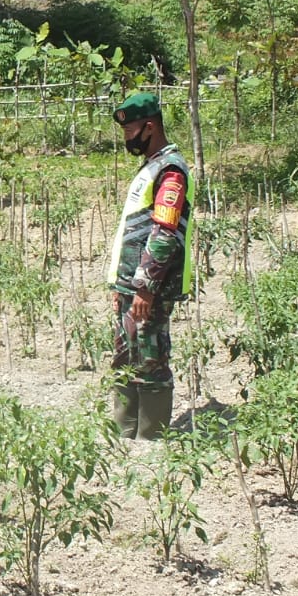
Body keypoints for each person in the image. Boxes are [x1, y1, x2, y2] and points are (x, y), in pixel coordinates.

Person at [105, 91, 195, 440]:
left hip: (149, 288)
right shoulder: (152, 167)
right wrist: (121, 286)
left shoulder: (171, 172)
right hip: (132, 285)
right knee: (126, 354)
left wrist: (145, 287)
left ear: (150, 126)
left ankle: (151, 438)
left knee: (151, 357)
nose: (128, 139)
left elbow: (164, 234)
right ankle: (124, 432)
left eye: (132, 132)